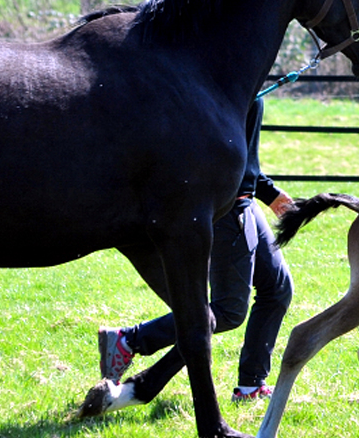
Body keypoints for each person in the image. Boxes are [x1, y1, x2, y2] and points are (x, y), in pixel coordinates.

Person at [97, 97, 294, 402]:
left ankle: (251, 386)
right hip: (230, 210)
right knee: (228, 310)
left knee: (277, 288)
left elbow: (241, 152)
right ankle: (130, 340)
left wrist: (268, 193)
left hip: (246, 200)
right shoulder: (220, 82)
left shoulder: (248, 83)